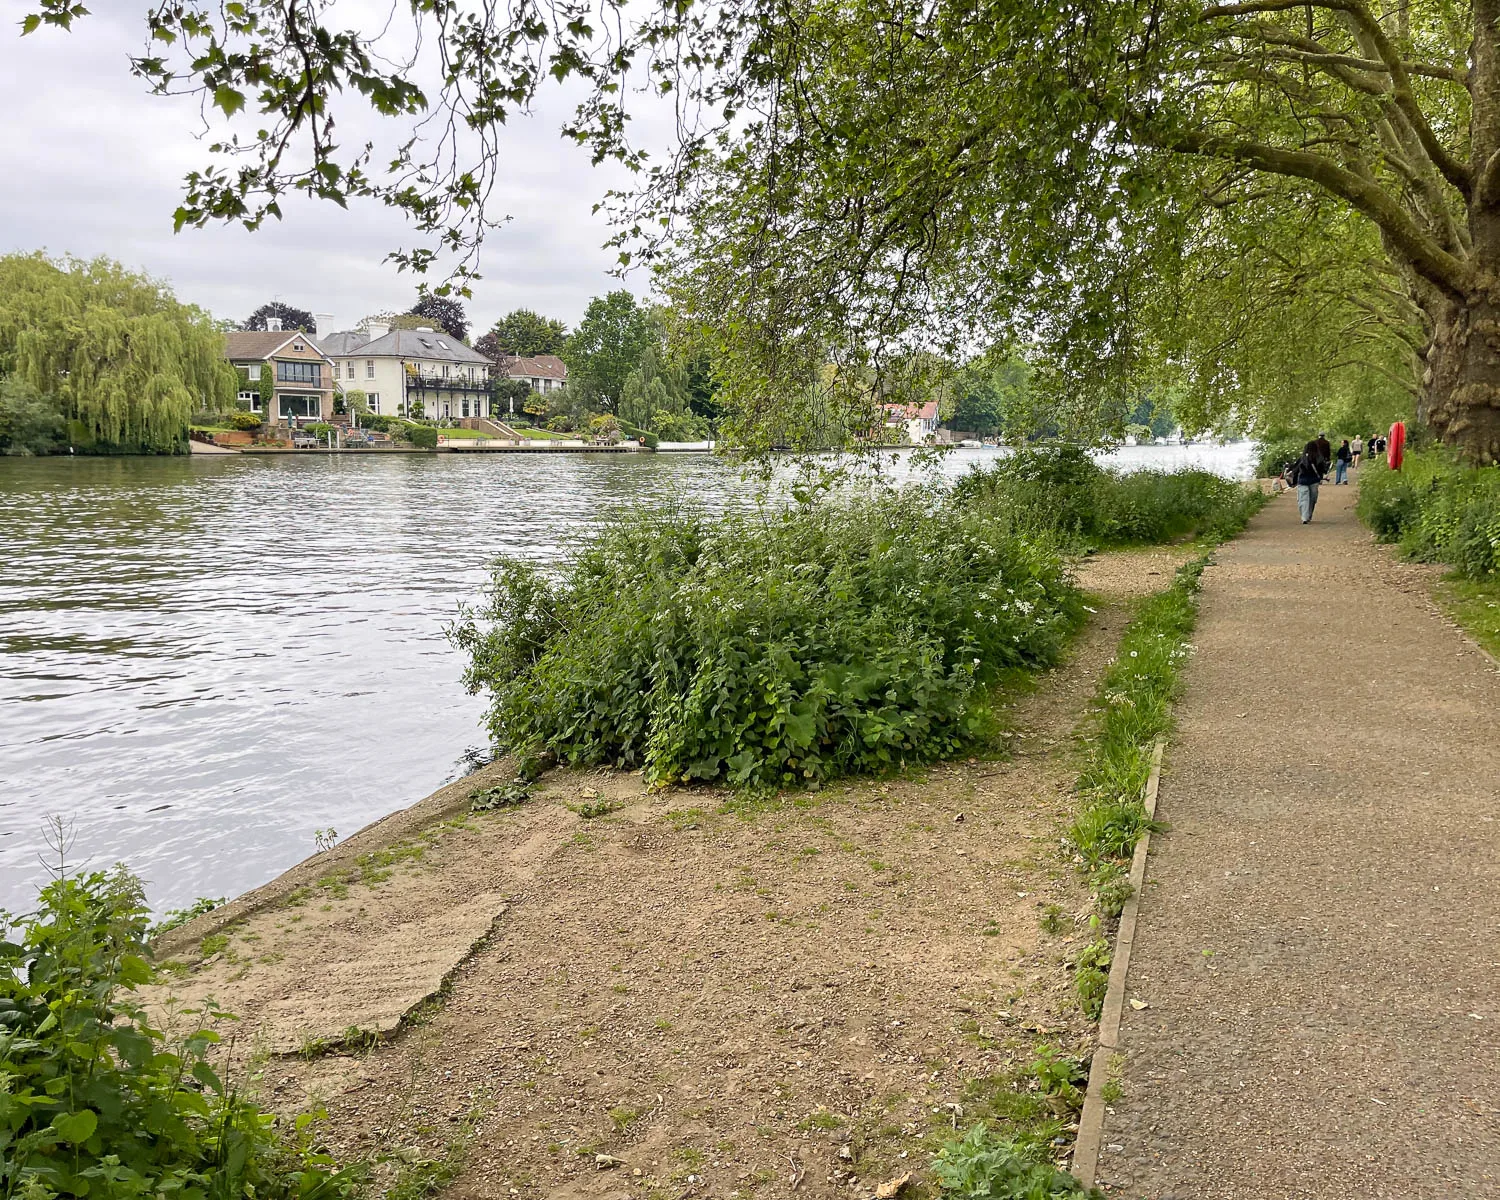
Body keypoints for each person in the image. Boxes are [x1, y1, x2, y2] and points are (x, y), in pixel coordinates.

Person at [1292, 440, 1323, 523]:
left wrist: (1294, 482)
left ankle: (1304, 517)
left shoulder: (1302, 458)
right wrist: (1321, 478)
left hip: (1302, 480)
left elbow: (1295, 470)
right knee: (1312, 499)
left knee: (1303, 499)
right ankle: (1309, 515)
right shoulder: (1319, 458)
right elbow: (1322, 470)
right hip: (1314, 481)